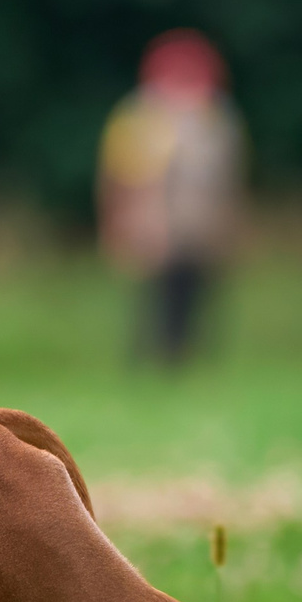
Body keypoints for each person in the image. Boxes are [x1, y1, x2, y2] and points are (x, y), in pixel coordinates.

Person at [98, 29, 244, 365]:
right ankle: (151, 364)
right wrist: (119, 226)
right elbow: (119, 179)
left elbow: (229, 181)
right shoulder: (139, 118)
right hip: (154, 229)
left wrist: (230, 226)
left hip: (200, 229)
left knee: (197, 300)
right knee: (153, 304)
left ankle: (186, 362)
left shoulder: (218, 119)